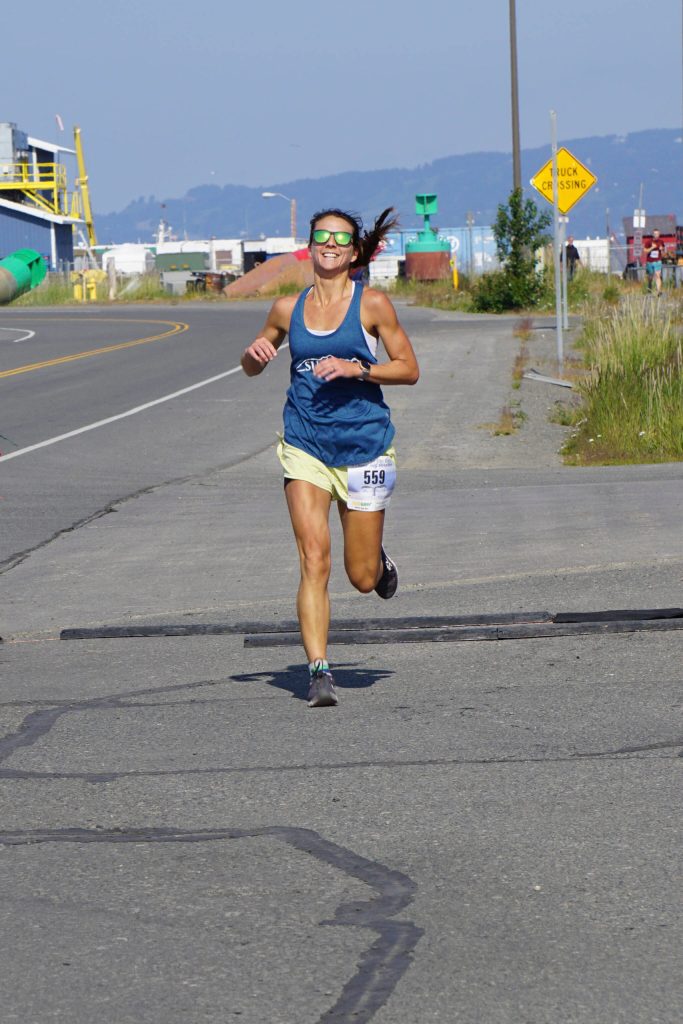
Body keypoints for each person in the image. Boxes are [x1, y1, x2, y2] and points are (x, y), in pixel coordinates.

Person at [241, 207, 419, 708]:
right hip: (306, 446)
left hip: (364, 447)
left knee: (360, 578)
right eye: (322, 236)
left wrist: (358, 368)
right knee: (313, 558)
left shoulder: (373, 306)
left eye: (341, 238)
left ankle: (379, 565)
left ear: (355, 252)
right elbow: (254, 363)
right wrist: (252, 358)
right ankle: (319, 671)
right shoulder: (284, 309)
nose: (331, 244)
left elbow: (408, 369)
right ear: (311, 245)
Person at [643, 228, 666, 294]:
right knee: (650, 276)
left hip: (658, 261)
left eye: (657, 234)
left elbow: (663, 249)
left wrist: (662, 249)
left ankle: (658, 291)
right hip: (650, 262)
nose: (656, 235)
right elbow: (645, 251)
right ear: (653, 234)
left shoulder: (661, 241)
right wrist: (652, 247)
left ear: (659, 234)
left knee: (658, 275)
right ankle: (649, 285)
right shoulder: (648, 242)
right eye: (655, 234)